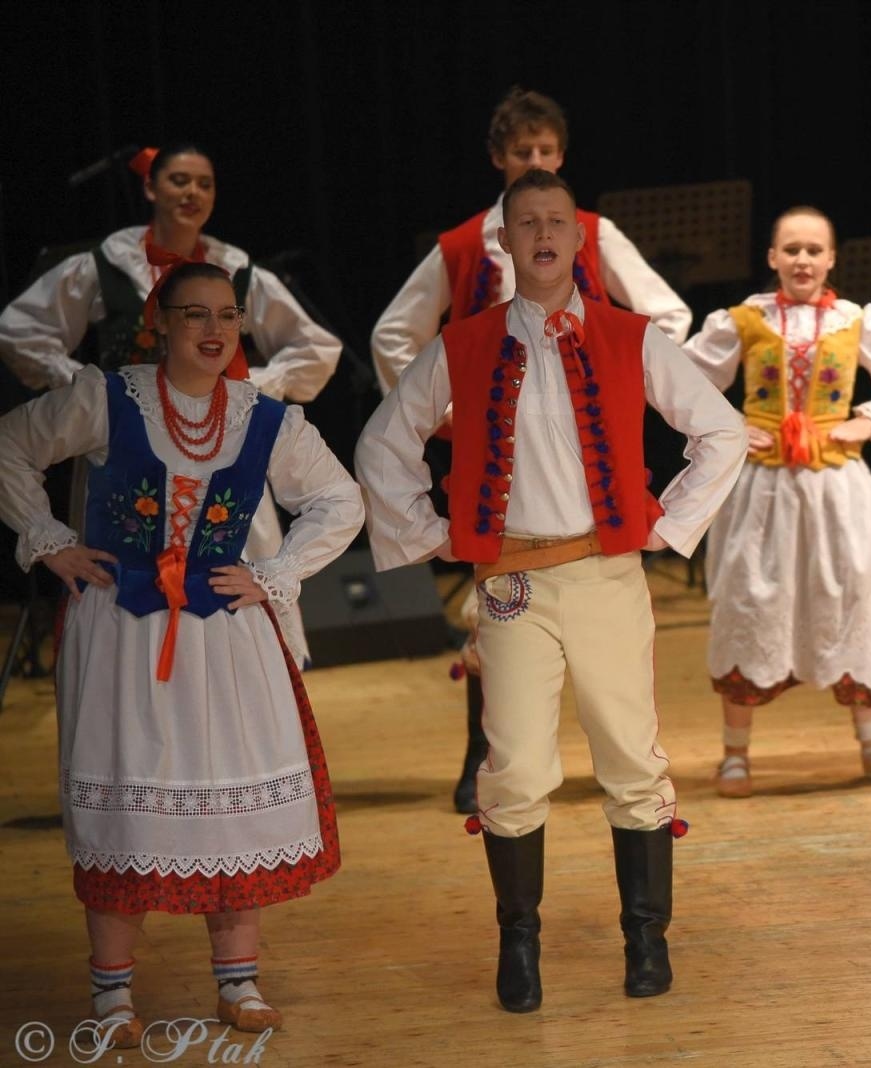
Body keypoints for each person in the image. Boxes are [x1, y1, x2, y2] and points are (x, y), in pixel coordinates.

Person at [356, 168, 744, 1012]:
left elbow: (721, 430)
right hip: (512, 584)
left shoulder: (629, 336)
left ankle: (647, 941)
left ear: (577, 239)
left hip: (606, 573)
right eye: (525, 221)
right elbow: (384, 444)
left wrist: (667, 527)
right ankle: (518, 946)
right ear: (503, 239)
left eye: (556, 222)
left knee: (631, 758)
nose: (541, 234)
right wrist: (439, 540)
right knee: (518, 766)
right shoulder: (464, 344)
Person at [0, 260, 363, 1045]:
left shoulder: (263, 417)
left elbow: (340, 500)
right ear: (160, 324)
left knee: (225, 799)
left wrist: (273, 574)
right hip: (124, 630)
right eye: (193, 314)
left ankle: (238, 980)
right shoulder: (106, 396)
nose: (212, 330)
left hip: (224, 636)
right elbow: (11, 445)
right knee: (127, 803)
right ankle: (113, 994)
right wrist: (51, 542)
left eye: (227, 316)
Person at [369, 87, 693, 814]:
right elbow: (395, 334)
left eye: (547, 152)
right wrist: (448, 414)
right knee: (499, 603)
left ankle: (615, 774)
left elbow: (666, 311)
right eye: (523, 153)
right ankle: (483, 755)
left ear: (563, 157)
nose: (535, 161)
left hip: (582, 452)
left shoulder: (591, 233)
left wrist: (620, 385)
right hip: (494, 459)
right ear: (498, 158)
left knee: (598, 626)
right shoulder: (462, 245)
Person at [0, 143, 342, 667]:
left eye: (204, 184)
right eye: (180, 180)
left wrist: (256, 386)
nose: (193, 193)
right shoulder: (105, 264)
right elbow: (20, 330)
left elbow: (317, 349)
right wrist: (80, 383)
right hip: (130, 456)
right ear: (150, 188)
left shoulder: (236, 268)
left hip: (225, 448)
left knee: (235, 582)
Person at [680, 205, 871, 797]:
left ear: (831, 259)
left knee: (853, 595)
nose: (803, 260)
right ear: (773, 258)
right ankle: (735, 753)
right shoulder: (743, 320)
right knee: (751, 600)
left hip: (835, 483)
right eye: (791, 249)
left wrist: (869, 421)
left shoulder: (855, 321)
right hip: (763, 487)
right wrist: (725, 427)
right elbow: (681, 379)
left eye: (813, 250)